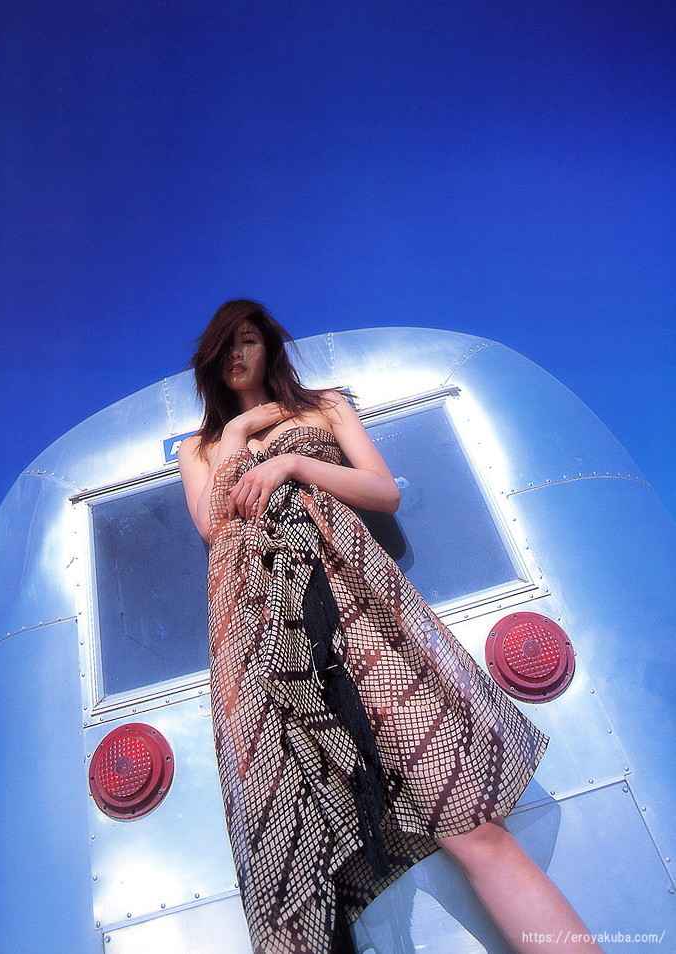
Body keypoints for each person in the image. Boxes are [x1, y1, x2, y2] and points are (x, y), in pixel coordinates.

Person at [179, 299, 602, 954]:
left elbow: (383, 491)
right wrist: (236, 437)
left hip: (359, 604)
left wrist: (292, 464)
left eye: (250, 340)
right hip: (261, 637)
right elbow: (215, 527)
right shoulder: (200, 447)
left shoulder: (324, 407)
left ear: (270, 348)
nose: (238, 354)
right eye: (225, 344)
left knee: (470, 822)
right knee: (293, 860)